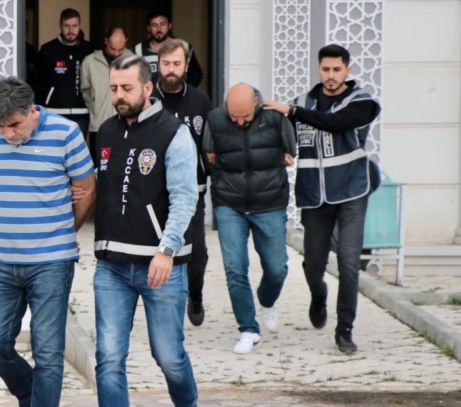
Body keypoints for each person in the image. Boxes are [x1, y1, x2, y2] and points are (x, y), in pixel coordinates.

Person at [0, 76, 96, 407]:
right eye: (0, 126)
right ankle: (31, 394)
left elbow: (87, 189)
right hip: (1, 259)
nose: (7, 134)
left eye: (14, 125)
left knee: (48, 352)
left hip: (51, 262)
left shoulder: (66, 133)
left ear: (32, 111)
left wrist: (67, 231)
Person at [93, 54, 199, 407]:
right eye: (113, 88)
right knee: (108, 358)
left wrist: (166, 251)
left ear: (147, 87)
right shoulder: (105, 131)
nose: (119, 95)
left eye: (127, 87)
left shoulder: (174, 133)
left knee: (169, 358)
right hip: (111, 266)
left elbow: (185, 199)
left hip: (160, 267)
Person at [264, 44, 381, 355]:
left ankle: (345, 330)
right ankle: (319, 295)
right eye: (326, 69)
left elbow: (335, 123)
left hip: (352, 191)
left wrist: (291, 112)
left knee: (348, 262)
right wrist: (282, 150)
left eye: (337, 70)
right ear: (319, 69)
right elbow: (279, 137)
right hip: (313, 195)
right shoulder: (303, 103)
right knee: (313, 264)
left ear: (347, 70)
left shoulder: (363, 102)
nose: (331, 75)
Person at [202, 83, 295, 354]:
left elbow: (291, 151)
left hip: (269, 203)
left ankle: (267, 300)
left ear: (256, 102)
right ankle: (248, 329)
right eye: (234, 116)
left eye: (245, 116)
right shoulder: (214, 120)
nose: (240, 122)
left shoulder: (275, 117)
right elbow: (208, 156)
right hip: (229, 204)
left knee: (277, 268)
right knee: (235, 269)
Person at [152, 38, 213, 327]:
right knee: (160, 250)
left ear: (187, 66)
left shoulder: (200, 100)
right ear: (158, 65)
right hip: (154, 190)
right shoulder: (147, 97)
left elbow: (210, 144)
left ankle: (195, 295)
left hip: (192, 191)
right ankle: (162, 305)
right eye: (166, 63)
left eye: (177, 63)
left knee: (196, 252)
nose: (171, 69)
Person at [36, 8, 95, 136]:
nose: (71, 30)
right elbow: (38, 82)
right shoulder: (47, 50)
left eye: (74, 26)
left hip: (82, 112)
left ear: (80, 25)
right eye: (66, 26)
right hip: (53, 112)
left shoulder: (89, 49)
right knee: (54, 147)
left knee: (77, 147)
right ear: (60, 25)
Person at [81, 27, 133, 162]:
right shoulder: (90, 61)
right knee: (99, 166)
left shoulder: (134, 61)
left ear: (126, 42)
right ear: (105, 41)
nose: (116, 53)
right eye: (112, 48)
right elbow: (85, 90)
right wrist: (95, 105)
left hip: (127, 124)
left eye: (120, 49)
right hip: (99, 124)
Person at [134, 8, 204, 88]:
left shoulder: (184, 47)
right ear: (148, 28)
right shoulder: (138, 51)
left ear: (170, 25)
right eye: (154, 25)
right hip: (150, 95)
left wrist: (186, 91)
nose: (159, 29)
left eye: (163, 24)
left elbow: (196, 74)